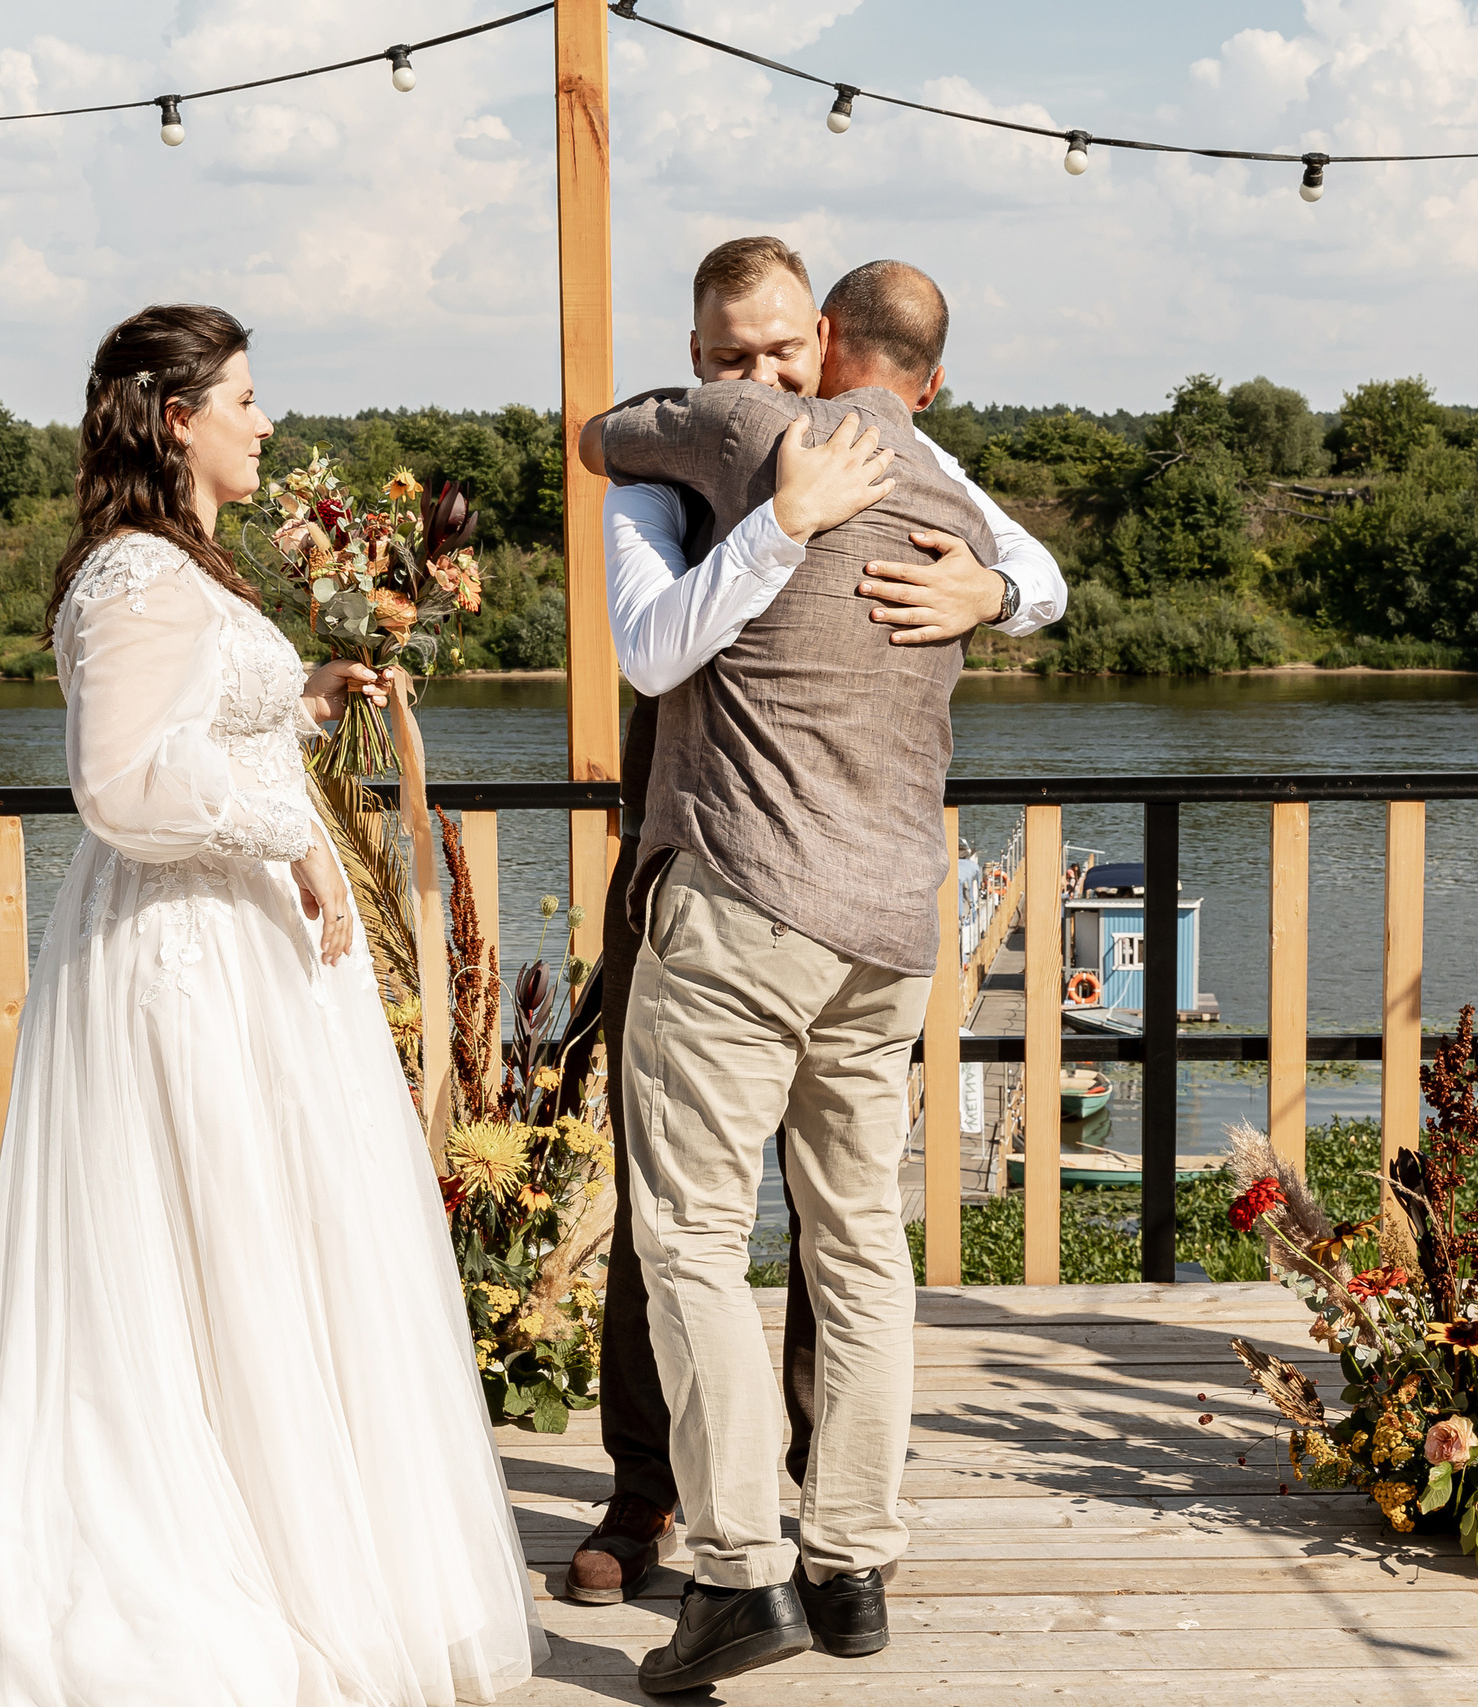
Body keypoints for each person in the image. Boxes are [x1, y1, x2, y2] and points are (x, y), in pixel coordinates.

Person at [0, 304, 541, 1707]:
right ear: (175, 417)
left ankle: (285, 1543)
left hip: (239, 947)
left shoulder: (176, 566)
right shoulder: (136, 575)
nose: (266, 422)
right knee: (198, 1244)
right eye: (246, 399)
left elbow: (197, 730)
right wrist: (287, 827)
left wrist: (298, 706)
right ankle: (188, 1580)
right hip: (182, 955)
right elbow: (121, 785)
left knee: (255, 1249)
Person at [564, 236, 1064, 1616]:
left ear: (830, 345)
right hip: (779, 884)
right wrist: (781, 517)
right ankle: (665, 1495)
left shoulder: (849, 451)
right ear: (698, 354)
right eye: (731, 359)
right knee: (695, 1225)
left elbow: (1038, 568)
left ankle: (787, 1548)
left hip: (784, 902)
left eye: (785, 353)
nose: (762, 377)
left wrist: (993, 591)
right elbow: (652, 649)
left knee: (754, 1232)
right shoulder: (688, 477)